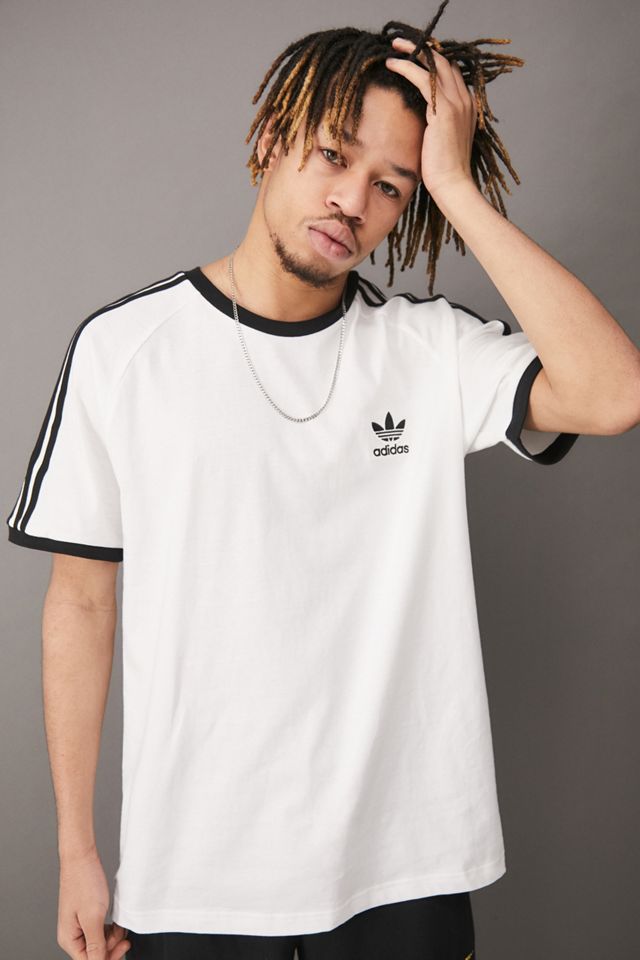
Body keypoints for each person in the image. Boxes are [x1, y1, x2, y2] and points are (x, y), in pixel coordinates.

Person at [6, 4, 640, 960]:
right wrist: (76, 850)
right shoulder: (125, 350)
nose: (352, 200)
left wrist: (456, 188)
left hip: (405, 864)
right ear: (270, 138)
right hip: (196, 868)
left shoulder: (428, 351)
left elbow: (613, 393)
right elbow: (82, 604)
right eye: (334, 155)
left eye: (390, 186)